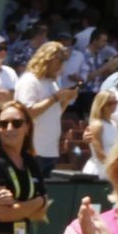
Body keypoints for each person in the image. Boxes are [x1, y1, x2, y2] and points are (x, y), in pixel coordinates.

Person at [0, 101, 48, 234]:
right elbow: (3, 214)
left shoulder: (31, 161)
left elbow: (43, 211)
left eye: (16, 123)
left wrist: (18, 204)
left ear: (27, 127)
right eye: (3, 124)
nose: (9, 128)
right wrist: (38, 202)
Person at [13, 40, 76, 171]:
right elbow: (26, 112)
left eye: (64, 61)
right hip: (33, 151)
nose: (61, 65)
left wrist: (66, 100)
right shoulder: (29, 80)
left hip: (50, 151)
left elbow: (55, 114)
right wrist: (54, 98)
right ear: (46, 59)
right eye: (58, 60)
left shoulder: (52, 82)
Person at [83, 89, 118, 175]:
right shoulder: (97, 125)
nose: (113, 105)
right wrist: (114, 168)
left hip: (110, 169)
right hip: (98, 171)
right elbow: (99, 154)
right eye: (109, 103)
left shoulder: (114, 123)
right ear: (101, 105)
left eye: (115, 102)